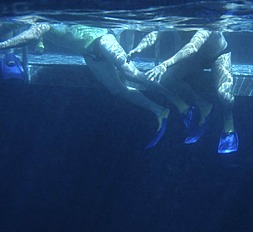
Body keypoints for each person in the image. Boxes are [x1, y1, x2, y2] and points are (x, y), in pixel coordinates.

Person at [0, 22, 195, 148]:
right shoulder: (34, 19)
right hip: (89, 53)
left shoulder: (42, 19)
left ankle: (181, 104)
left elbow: (32, 36)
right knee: (117, 90)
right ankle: (160, 110)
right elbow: (30, 36)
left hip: (102, 39)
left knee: (131, 74)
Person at [128, 30, 238, 154]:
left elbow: (193, 47)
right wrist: (139, 48)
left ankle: (229, 120)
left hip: (218, 54)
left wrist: (164, 65)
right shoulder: (173, 14)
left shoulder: (205, 19)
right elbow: (157, 32)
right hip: (197, 58)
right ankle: (203, 105)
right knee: (165, 79)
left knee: (224, 94)